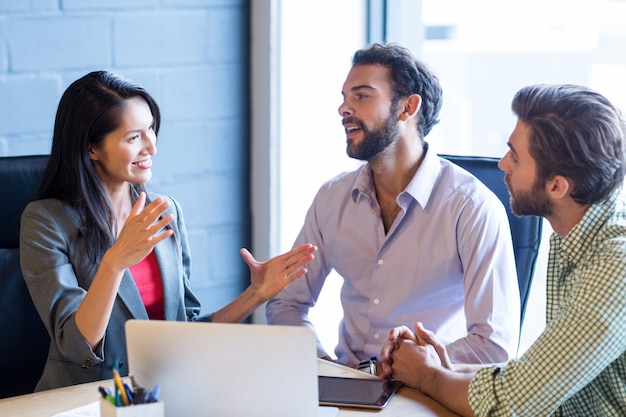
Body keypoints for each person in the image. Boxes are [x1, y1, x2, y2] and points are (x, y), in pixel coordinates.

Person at [19, 70, 317, 391]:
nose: (151, 147)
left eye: (150, 130)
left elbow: (183, 334)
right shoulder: (45, 221)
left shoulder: (164, 212)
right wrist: (115, 262)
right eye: (133, 138)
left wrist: (255, 294)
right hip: (84, 400)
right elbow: (76, 346)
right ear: (92, 148)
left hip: (161, 395)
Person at [266, 42, 520, 369]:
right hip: (346, 386)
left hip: (430, 392)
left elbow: (493, 345)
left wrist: (418, 363)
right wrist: (322, 367)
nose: (344, 109)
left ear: (407, 107)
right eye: (344, 97)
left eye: (361, 96)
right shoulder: (332, 198)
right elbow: (287, 302)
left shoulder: (470, 208)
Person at [380, 83, 626, 416]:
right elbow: (533, 380)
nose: (502, 165)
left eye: (516, 156)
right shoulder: (579, 240)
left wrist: (426, 375)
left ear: (557, 186)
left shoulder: (616, 266)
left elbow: (512, 404)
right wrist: (443, 365)